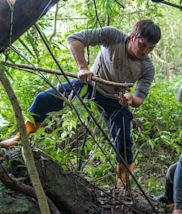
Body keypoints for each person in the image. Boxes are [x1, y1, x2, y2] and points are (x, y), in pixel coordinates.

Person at [0, 20, 161, 189]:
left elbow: (139, 99)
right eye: (142, 45)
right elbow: (75, 39)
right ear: (133, 36)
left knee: (125, 142)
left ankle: (122, 186)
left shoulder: (147, 67)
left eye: (151, 48)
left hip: (115, 100)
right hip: (89, 85)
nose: (145, 51)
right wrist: (83, 67)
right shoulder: (113, 36)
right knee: (43, 100)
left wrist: (129, 99)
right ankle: (21, 140)